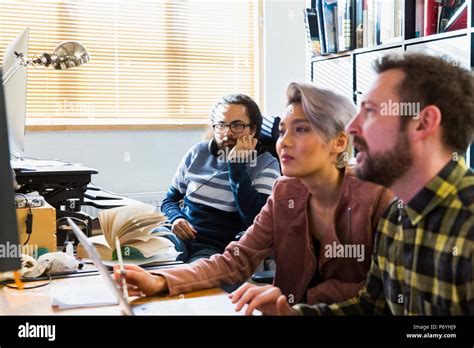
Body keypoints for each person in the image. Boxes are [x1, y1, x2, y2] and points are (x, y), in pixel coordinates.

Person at [228, 53, 474, 315]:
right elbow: (372, 305)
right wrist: (293, 314)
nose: (353, 127)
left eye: (370, 112)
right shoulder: (398, 216)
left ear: (423, 123)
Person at [114, 82, 394, 308]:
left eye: (301, 130)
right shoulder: (286, 192)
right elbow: (235, 261)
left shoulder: (377, 196)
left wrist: (297, 309)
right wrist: (161, 281)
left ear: (339, 142)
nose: (284, 142)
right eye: (283, 131)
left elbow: (381, 293)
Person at [160, 94, 281, 263]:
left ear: (252, 130)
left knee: (188, 279)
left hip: (214, 249)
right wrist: (176, 218)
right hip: (177, 238)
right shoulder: (198, 152)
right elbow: (170, 200)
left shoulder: (266, 164)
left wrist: (236, 165)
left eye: (237, 125)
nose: (227, 132)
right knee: (139, 256)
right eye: (221, 125)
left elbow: (254, 219)